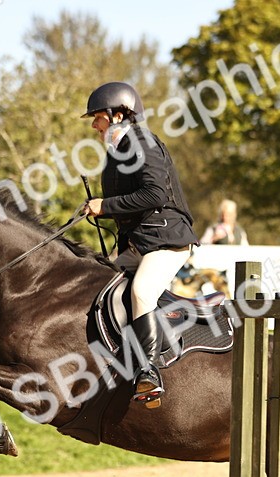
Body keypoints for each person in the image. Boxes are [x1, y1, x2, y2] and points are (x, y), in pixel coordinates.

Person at [82, 81, 196, 408]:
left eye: (97, 117)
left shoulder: (142, 142)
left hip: (166, 240)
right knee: (98, 289)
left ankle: (149, 370)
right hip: (138, 243)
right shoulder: (116, 152)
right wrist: (99, 209)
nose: (94, 125)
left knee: (141, 292)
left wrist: (106, 206)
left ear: (119, 113)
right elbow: (128, 203)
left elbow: (156, 195)